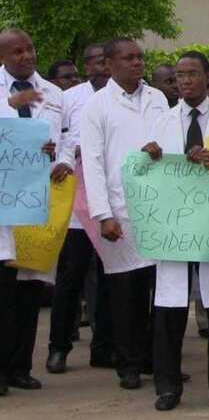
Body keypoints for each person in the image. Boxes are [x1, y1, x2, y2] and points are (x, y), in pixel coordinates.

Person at [143, 51, 209, 411]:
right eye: (179, 76)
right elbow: (145, 169)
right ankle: (167, 386)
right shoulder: (161, 122)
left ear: (207, 77)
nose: (184, 81)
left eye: (191, 74)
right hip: (174, 226)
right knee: (169, 308)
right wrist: (150, 154)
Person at [81, 37, 169, 390]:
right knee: (126, 292)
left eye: (139, 57)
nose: (137, 63)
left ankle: (153, 358)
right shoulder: (97, 105)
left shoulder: (157, 98)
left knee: (159, 289)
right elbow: (93, 161)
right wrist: (103, 214)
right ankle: (128, 363)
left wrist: (161, 148)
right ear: (110, 63)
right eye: (128, 58)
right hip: (120, 210)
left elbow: (170, 138)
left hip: (158, 207)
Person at [0, 29, 68, 395]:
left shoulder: (54, 93)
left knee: (30, 288)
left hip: (40, 197)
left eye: (30, 49)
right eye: (16, 51)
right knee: (3, 291)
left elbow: (70, 137)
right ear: (2, 57)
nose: (26, 56)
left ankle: (20, 368)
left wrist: (62, 157)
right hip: (4, 202)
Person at [46, 43, 116, 375]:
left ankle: (104, 348)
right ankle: (58, 348)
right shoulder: (70, 98)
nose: (103, 68)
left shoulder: (124, 97)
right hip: (77, 202)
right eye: (97, 62)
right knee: (70, 277)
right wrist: (61, 158)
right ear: (87, 67)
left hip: (112, 201)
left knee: (108, 279)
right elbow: (60, 139)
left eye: (107, 62)